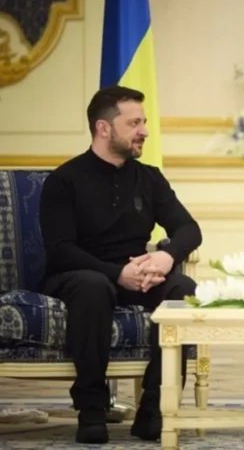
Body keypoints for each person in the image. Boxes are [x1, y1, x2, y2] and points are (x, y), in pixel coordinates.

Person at [39, 85, 203, 444]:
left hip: (138, 275)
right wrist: (118, 274)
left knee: (183, 288)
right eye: (134, 123)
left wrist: (165, 257)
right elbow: (61, 250)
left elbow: (189, 229)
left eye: (143, 122)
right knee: (94, 286)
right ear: (103, 128)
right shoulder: (64, 180)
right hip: (79, 276)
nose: (144, 131)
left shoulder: (149, 178)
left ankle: (154, 410)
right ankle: (91, 410)